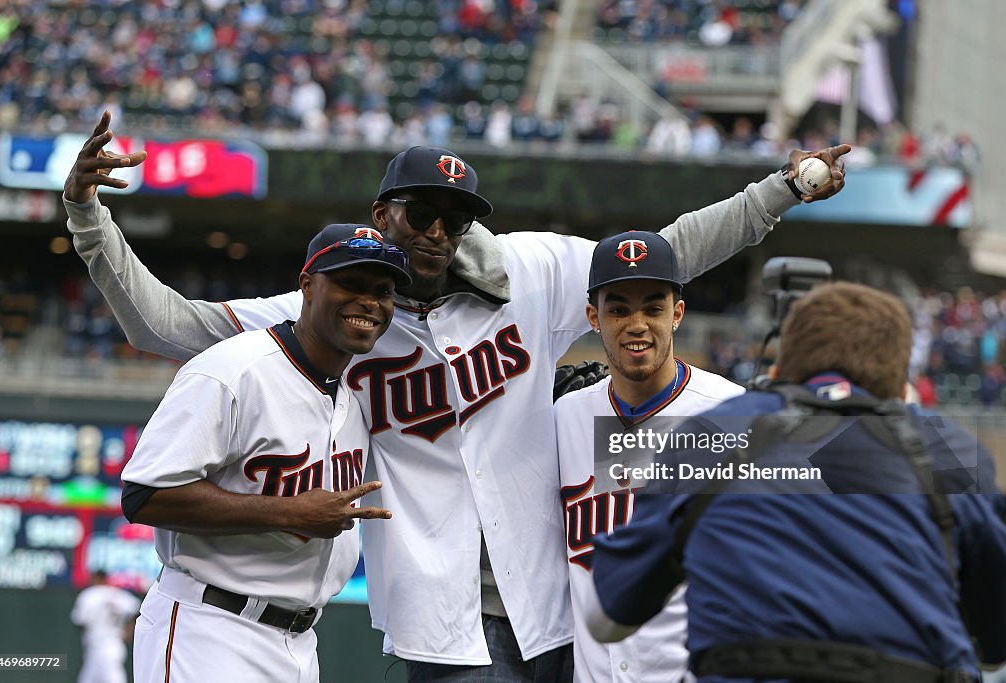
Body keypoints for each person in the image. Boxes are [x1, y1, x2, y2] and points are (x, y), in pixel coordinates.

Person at [63, 110, 850, 680]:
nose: (440, 230)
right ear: (384, 214)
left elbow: (660, 255)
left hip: (551, 597)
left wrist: (778, 190)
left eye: (457, 216)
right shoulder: (340, 307)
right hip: (439, 616)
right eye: (424, 213)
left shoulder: (531, 270)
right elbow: (167, 323)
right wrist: (88, 218)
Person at [585, 282, 1006, 682]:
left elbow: (607, 617)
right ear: (902, 386)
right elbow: (996, 641)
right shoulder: (946, 445)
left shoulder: (714, 430)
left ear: (783, 366)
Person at [119, 223, 406, 682]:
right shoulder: (234, 369)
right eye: (350, 283)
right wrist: (288, 513)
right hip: (209, 627)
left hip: (299, 641)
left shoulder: (352, 398)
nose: (369, 301)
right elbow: (144, 495)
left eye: (383, 290)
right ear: (308, 286)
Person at [556, 230, 745, 682]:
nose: (637, 323)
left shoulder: (730, 411)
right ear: (593, 317)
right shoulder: (566, 418)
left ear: (677, 313)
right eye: (618, 308)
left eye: (653, 307)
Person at [71, 570, 142, 683]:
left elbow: (79, 621)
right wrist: (128, 630)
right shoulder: (118, 595)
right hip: (113, 645)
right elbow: (139, 610)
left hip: (98, 645)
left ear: (96, 579)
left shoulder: (89, 595)